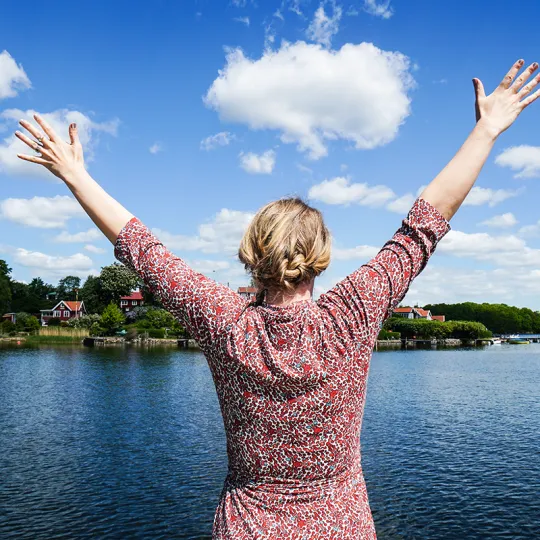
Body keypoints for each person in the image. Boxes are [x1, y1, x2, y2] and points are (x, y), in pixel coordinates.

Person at [14, 60, 539, 539]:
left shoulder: (225, 322)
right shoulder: (351, 316)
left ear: (251, 255)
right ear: (321, 256)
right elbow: (424, 224)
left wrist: (76, 175)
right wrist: (486, 131)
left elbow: (143, 251)